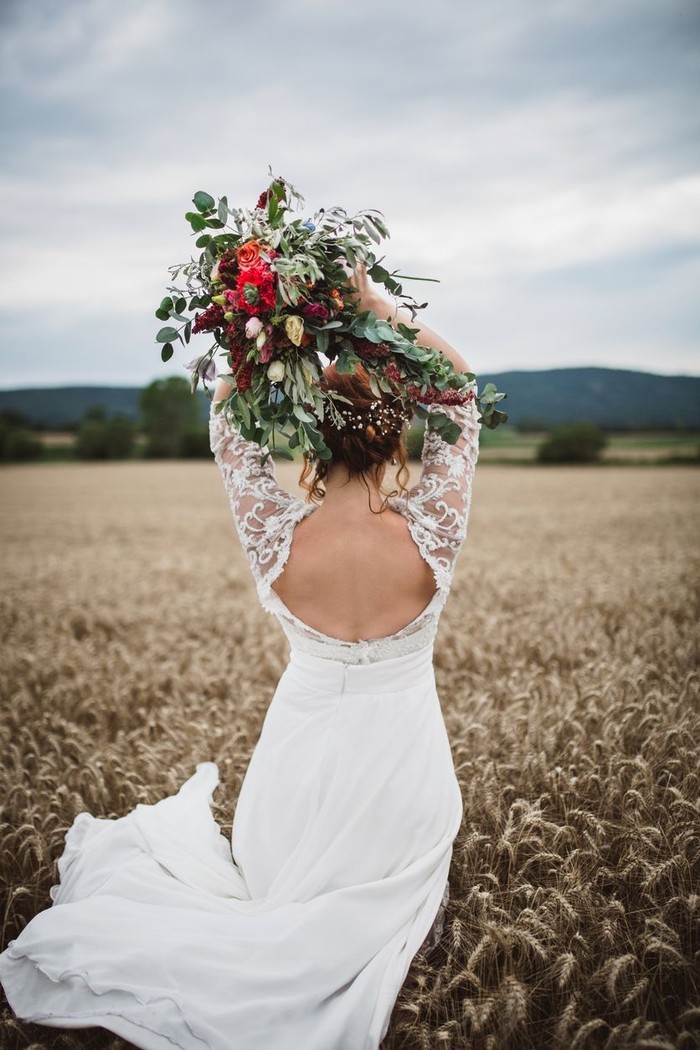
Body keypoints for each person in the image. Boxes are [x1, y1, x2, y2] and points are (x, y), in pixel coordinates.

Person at [0, 266, 481, 1050]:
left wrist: (275, 315)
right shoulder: (435, 530)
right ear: (397, 433)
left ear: (312, 434)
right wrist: (373, 310)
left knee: (263, 883)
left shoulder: (274, 532)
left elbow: (226, 412)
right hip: (405, 795)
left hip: (288, 794)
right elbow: (459, 388)